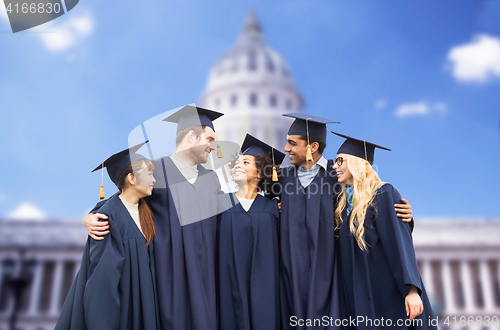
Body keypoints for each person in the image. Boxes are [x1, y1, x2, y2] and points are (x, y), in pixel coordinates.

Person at [82, 105, 230, 330]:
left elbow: (227, 213)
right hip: (168, 274)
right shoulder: (155, 171)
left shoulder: (211, 179)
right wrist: (93, 215)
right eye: (209, 139)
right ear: (191, 136)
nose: (212, 147)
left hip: (205, 275)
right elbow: (124, 197)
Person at [277, 113, 414, 329]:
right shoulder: (281, 178)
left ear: (312, 147)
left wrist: (404, 213)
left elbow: (370, 194)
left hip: (333, 277)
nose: (285, 148)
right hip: (293, 276)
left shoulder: (336, 173)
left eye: (292, 143)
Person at [332, 132, 436, 329]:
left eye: (340, 161)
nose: (334, 166)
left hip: (385, 293)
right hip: (358, 294)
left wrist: (411, 290)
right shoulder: (342, 202)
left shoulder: (383, 194)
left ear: (356, 163)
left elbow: (399, 242)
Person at [55, 142, 159, 330]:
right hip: (124, 315)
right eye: (149, 174)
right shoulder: (107, 218)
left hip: (144, 308)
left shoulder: (146, 210)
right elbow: (101, 286)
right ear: (132, 178)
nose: (154, 179)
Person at [217, 134, 285, 330]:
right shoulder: (221, 203)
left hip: (265, 290)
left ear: (261, 172)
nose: (238, 166)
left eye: (245, 162)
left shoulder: (273, 209)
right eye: (236, 163)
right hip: (228, 287)